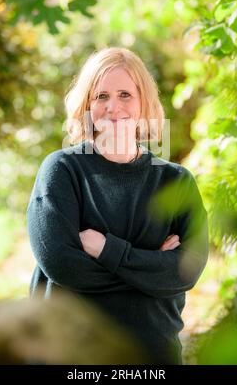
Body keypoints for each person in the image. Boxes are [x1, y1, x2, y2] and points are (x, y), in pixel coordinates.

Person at [27, 46, 209, 365]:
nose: (114, 107)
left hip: (152, 356)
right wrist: (152, 270)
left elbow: (187, 270)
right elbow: (61, 265)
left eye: (125, 94)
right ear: (86, 105)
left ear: (143, 103)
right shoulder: (62, 170)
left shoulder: (176, 181)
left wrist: (107, 250)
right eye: (101, 96)